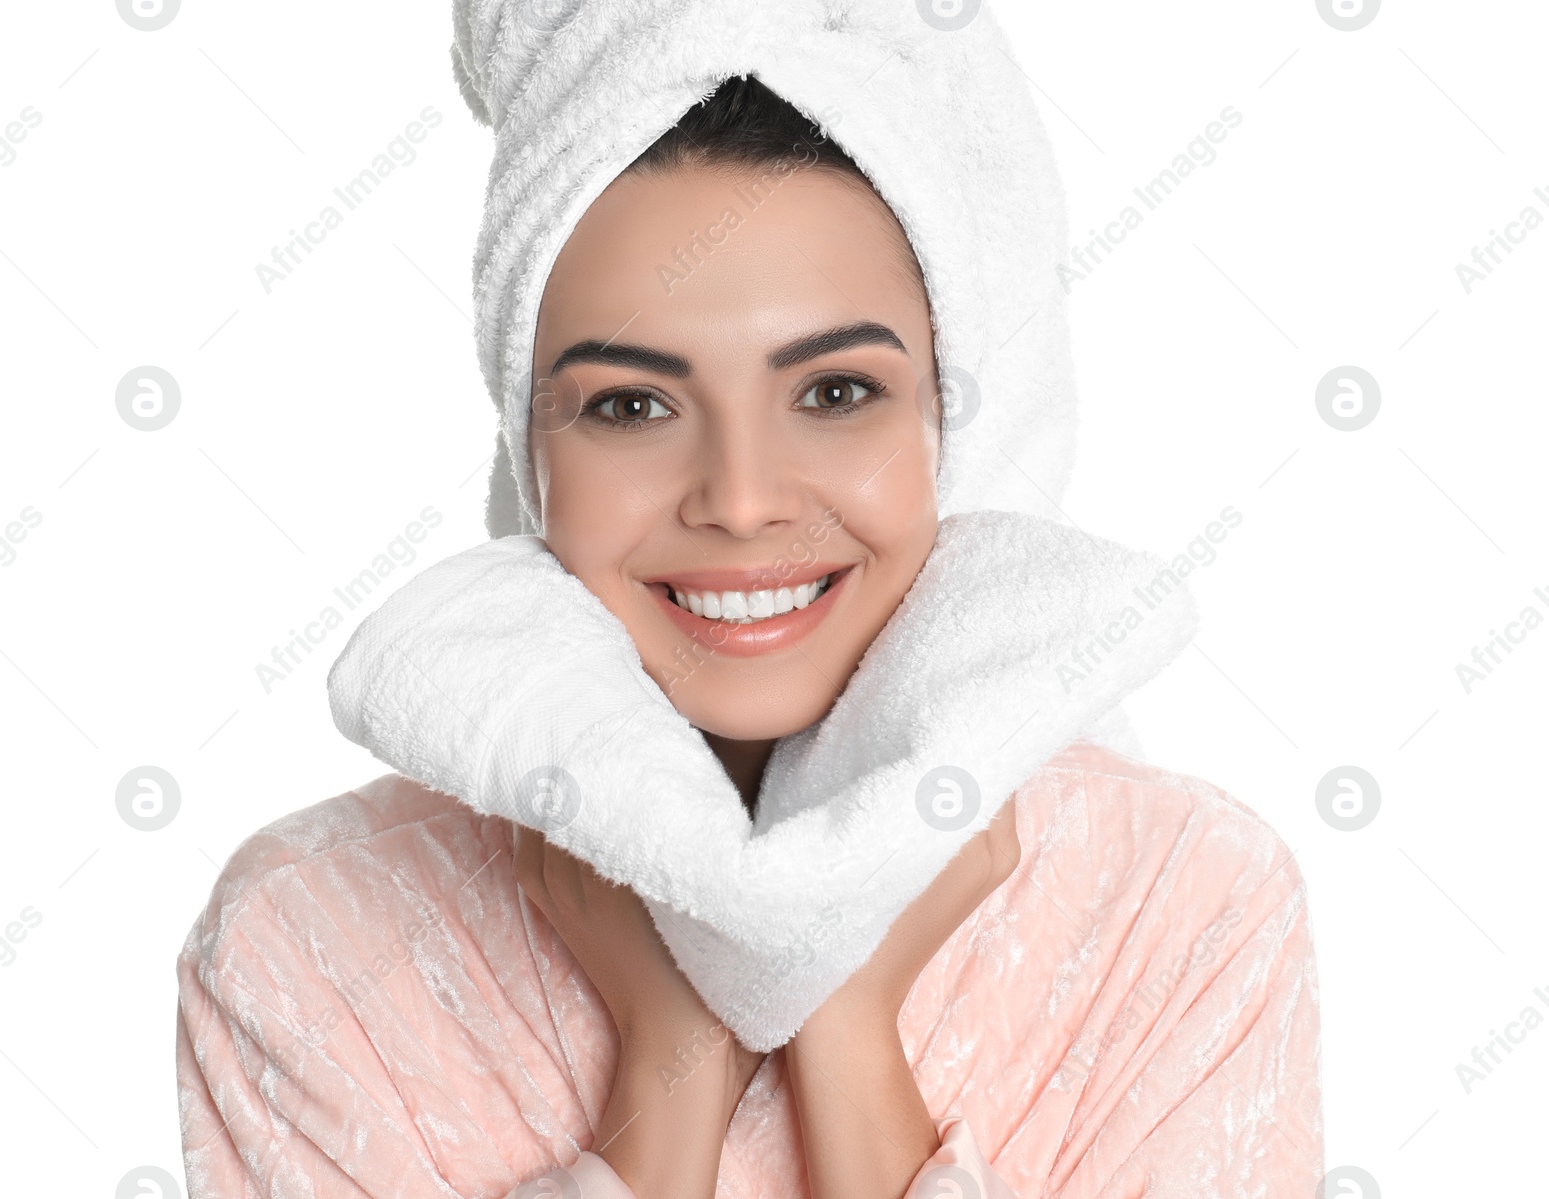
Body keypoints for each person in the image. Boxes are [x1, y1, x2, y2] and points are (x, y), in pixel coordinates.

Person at [176, 11, 1323, 1198]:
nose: (739, 499)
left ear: (954, 420)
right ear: (528, 447)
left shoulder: (1183, 907)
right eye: (630, 405)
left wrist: (837, 1016)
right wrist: (665, 1067)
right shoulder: (313, 932)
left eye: (833, 390)